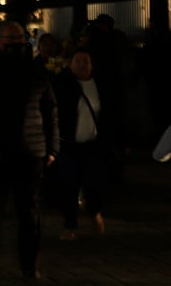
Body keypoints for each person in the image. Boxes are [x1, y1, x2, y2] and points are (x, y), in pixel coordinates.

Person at [0, 20, 59, 280]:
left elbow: (50, 110)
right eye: (10, 40)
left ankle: (29, 264)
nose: (16, 44)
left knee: (29, 211)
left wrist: (52, 147)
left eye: (20, 39)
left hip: (31, 150)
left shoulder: (37, 71)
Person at [53, 48, 120, 240]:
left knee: (95, 183)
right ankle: (70, 225)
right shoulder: (62, 84)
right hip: (70, 144)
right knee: (69, 185)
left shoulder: (101, 84)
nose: (82, 65)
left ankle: (95, 212)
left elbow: (111, 113)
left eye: (86, 61)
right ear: (70, 63)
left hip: (94, 144)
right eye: (78, 61)